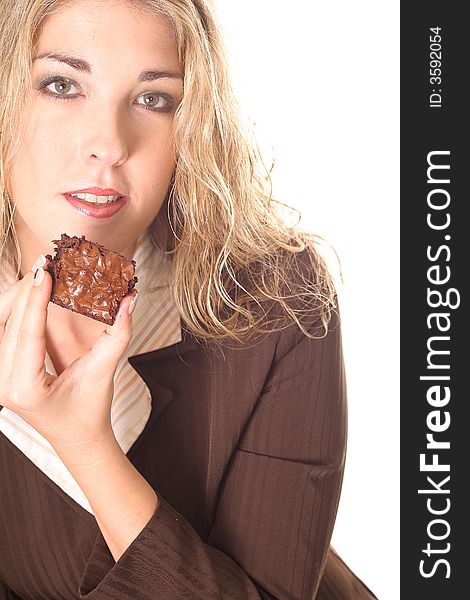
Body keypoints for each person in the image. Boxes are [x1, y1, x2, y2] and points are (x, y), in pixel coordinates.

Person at [0, 0, 377, 598]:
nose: (109, 145)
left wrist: (85, 444)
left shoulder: (278, 298)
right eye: (61, 85)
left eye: (154, 99)